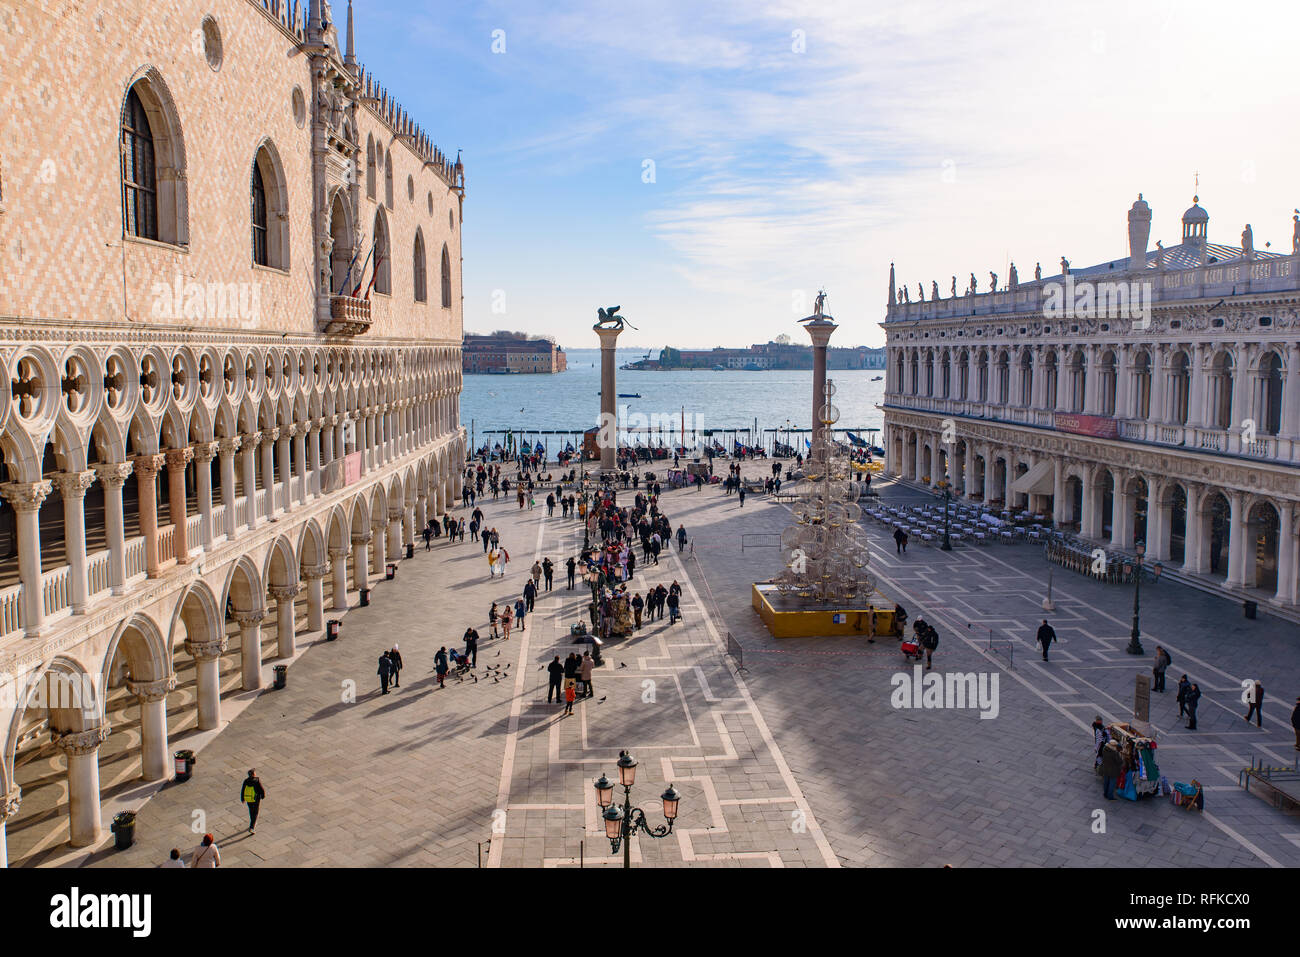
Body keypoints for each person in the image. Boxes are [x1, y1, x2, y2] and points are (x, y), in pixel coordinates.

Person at [240, 769, 266, 833]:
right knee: (256, 812)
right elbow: (261, 789)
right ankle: (252, 827)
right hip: (256, 799)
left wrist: (242, 798)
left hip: (249, 799)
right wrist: (263, 795)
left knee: (251, 811)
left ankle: (252, 822)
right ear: (253, 774)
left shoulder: (246, 781)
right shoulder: (257, 780)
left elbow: (243, 790)